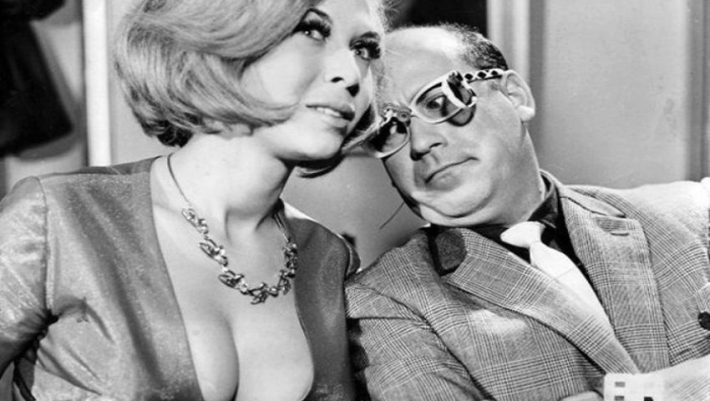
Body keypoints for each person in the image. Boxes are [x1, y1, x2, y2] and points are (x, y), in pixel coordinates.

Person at [0, 0, 383, 398]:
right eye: (312, 31)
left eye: (364, 49)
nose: (351, 73)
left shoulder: (328, 258)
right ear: (218, 40)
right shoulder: (58, 218)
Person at [346, 24, 710, 401]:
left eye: (439, 102)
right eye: (387, 130)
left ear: (515, 95)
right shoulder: (384, 301)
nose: (420, 142)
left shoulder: (692, 214)